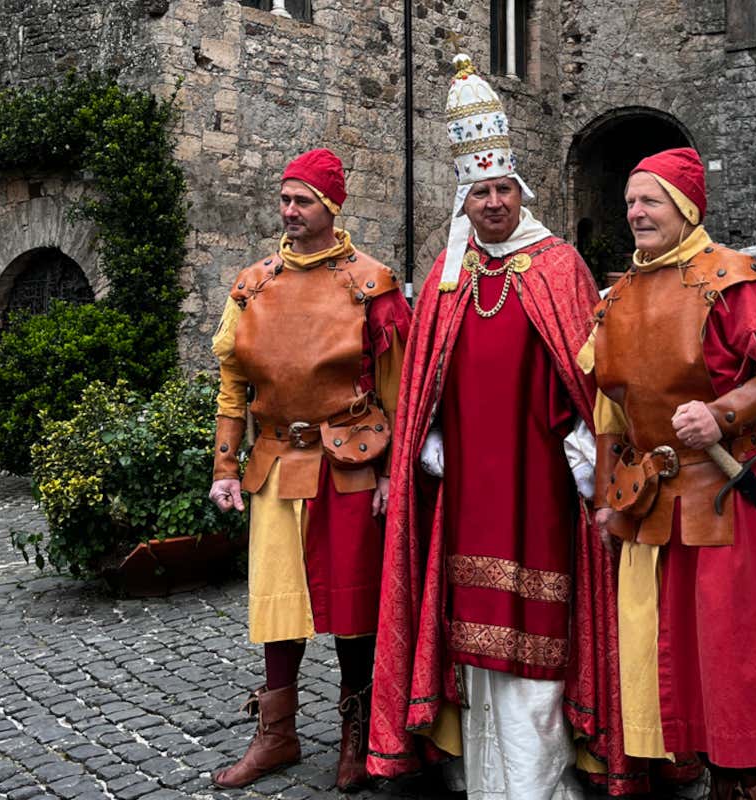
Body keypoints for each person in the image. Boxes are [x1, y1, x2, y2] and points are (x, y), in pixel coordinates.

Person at [367, 55, 645, 799]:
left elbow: (589, 381)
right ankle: (478, 772)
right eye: (480, 193)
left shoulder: (559, 267)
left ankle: (539, 781)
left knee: (540, 631)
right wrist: (427, 446)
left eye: (503, 190)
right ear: (464, 201)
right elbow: (424, 380)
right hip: (467, 489)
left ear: (521, 191)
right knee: (471, 629)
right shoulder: (448, 276)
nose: (494, 203)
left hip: (544, 486)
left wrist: (589, 462)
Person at [579, 147, 756, 800]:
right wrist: (606, 498)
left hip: (722, 501)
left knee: (734, 660)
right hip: (647, 504)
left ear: (686, 208)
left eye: (650, 200)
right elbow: (610, 412)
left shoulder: (728, 279)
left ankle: (749, 788)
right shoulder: (617, 298)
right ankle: (711, 779)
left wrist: (722, 413)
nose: (636, 212)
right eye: (630, 202)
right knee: (674, 661)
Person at [206, 148, 411, 791]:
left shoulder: (371, 284)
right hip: (273, 462)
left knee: (352, 604)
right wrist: (225, 467)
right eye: (285, 199)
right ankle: (277, 735)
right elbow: (232, 385)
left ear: (331, 206)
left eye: (303, 200)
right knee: (277, 605)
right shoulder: (253, 285)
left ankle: (356, 734)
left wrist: (391, 476)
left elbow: (397, 392)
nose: (289, 210)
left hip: (349, 463)